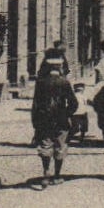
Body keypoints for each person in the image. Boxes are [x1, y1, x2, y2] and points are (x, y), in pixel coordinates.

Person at [30, 59, 79, 188]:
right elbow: (74, 103)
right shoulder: (64, 82)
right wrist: (67, 113)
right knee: (60, 146)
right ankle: (57, 175)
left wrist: (35, 121)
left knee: (46, 145)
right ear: (60, 67)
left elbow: (35, 104)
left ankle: (46, 173)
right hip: (61, 120)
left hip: (44, 119)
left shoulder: (40, 83)